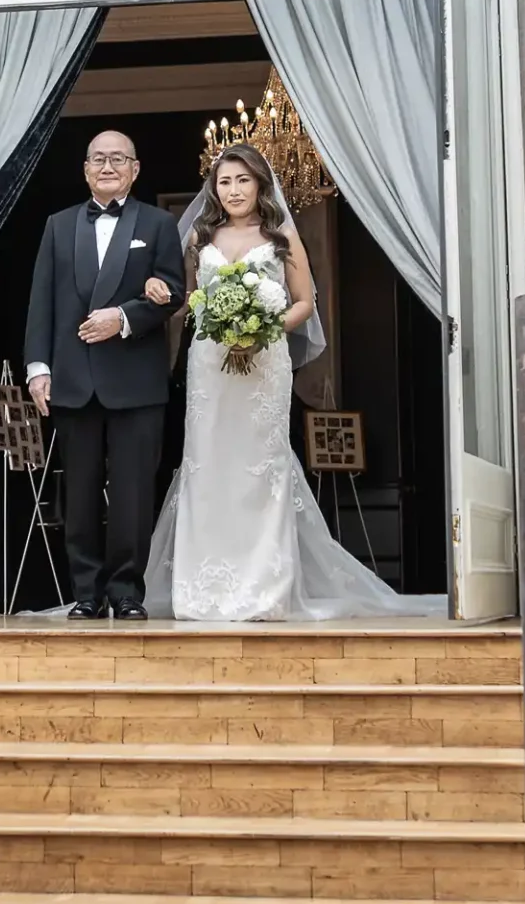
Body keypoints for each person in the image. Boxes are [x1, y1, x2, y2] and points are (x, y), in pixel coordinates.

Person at [140, 143, 452, 621]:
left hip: (264, 364)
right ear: (214, 188)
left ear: (261, 184)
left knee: (260, 468)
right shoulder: (201, 238)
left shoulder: (281, 234)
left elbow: (305, 302)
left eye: (243, 180)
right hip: (210, 366)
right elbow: (189, 300)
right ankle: (202, 589)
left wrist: (260, 328)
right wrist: (158, 295)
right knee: (209, 465)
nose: (233, 190)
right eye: (224, 182)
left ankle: (264, 588)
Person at [23, 130, 184, 620]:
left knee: (134, 492)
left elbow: (174, 293)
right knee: (80, 493)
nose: (107, 166)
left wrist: (126, 318)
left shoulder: (158, 224)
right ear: (85, 169)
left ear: (135, 169)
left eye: (118, 159)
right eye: (98, 158)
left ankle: (127, 591)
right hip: (73, 379)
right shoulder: (58, 224)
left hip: (135, 380)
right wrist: (37, 368)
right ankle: (87, 592)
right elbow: (41, 302)